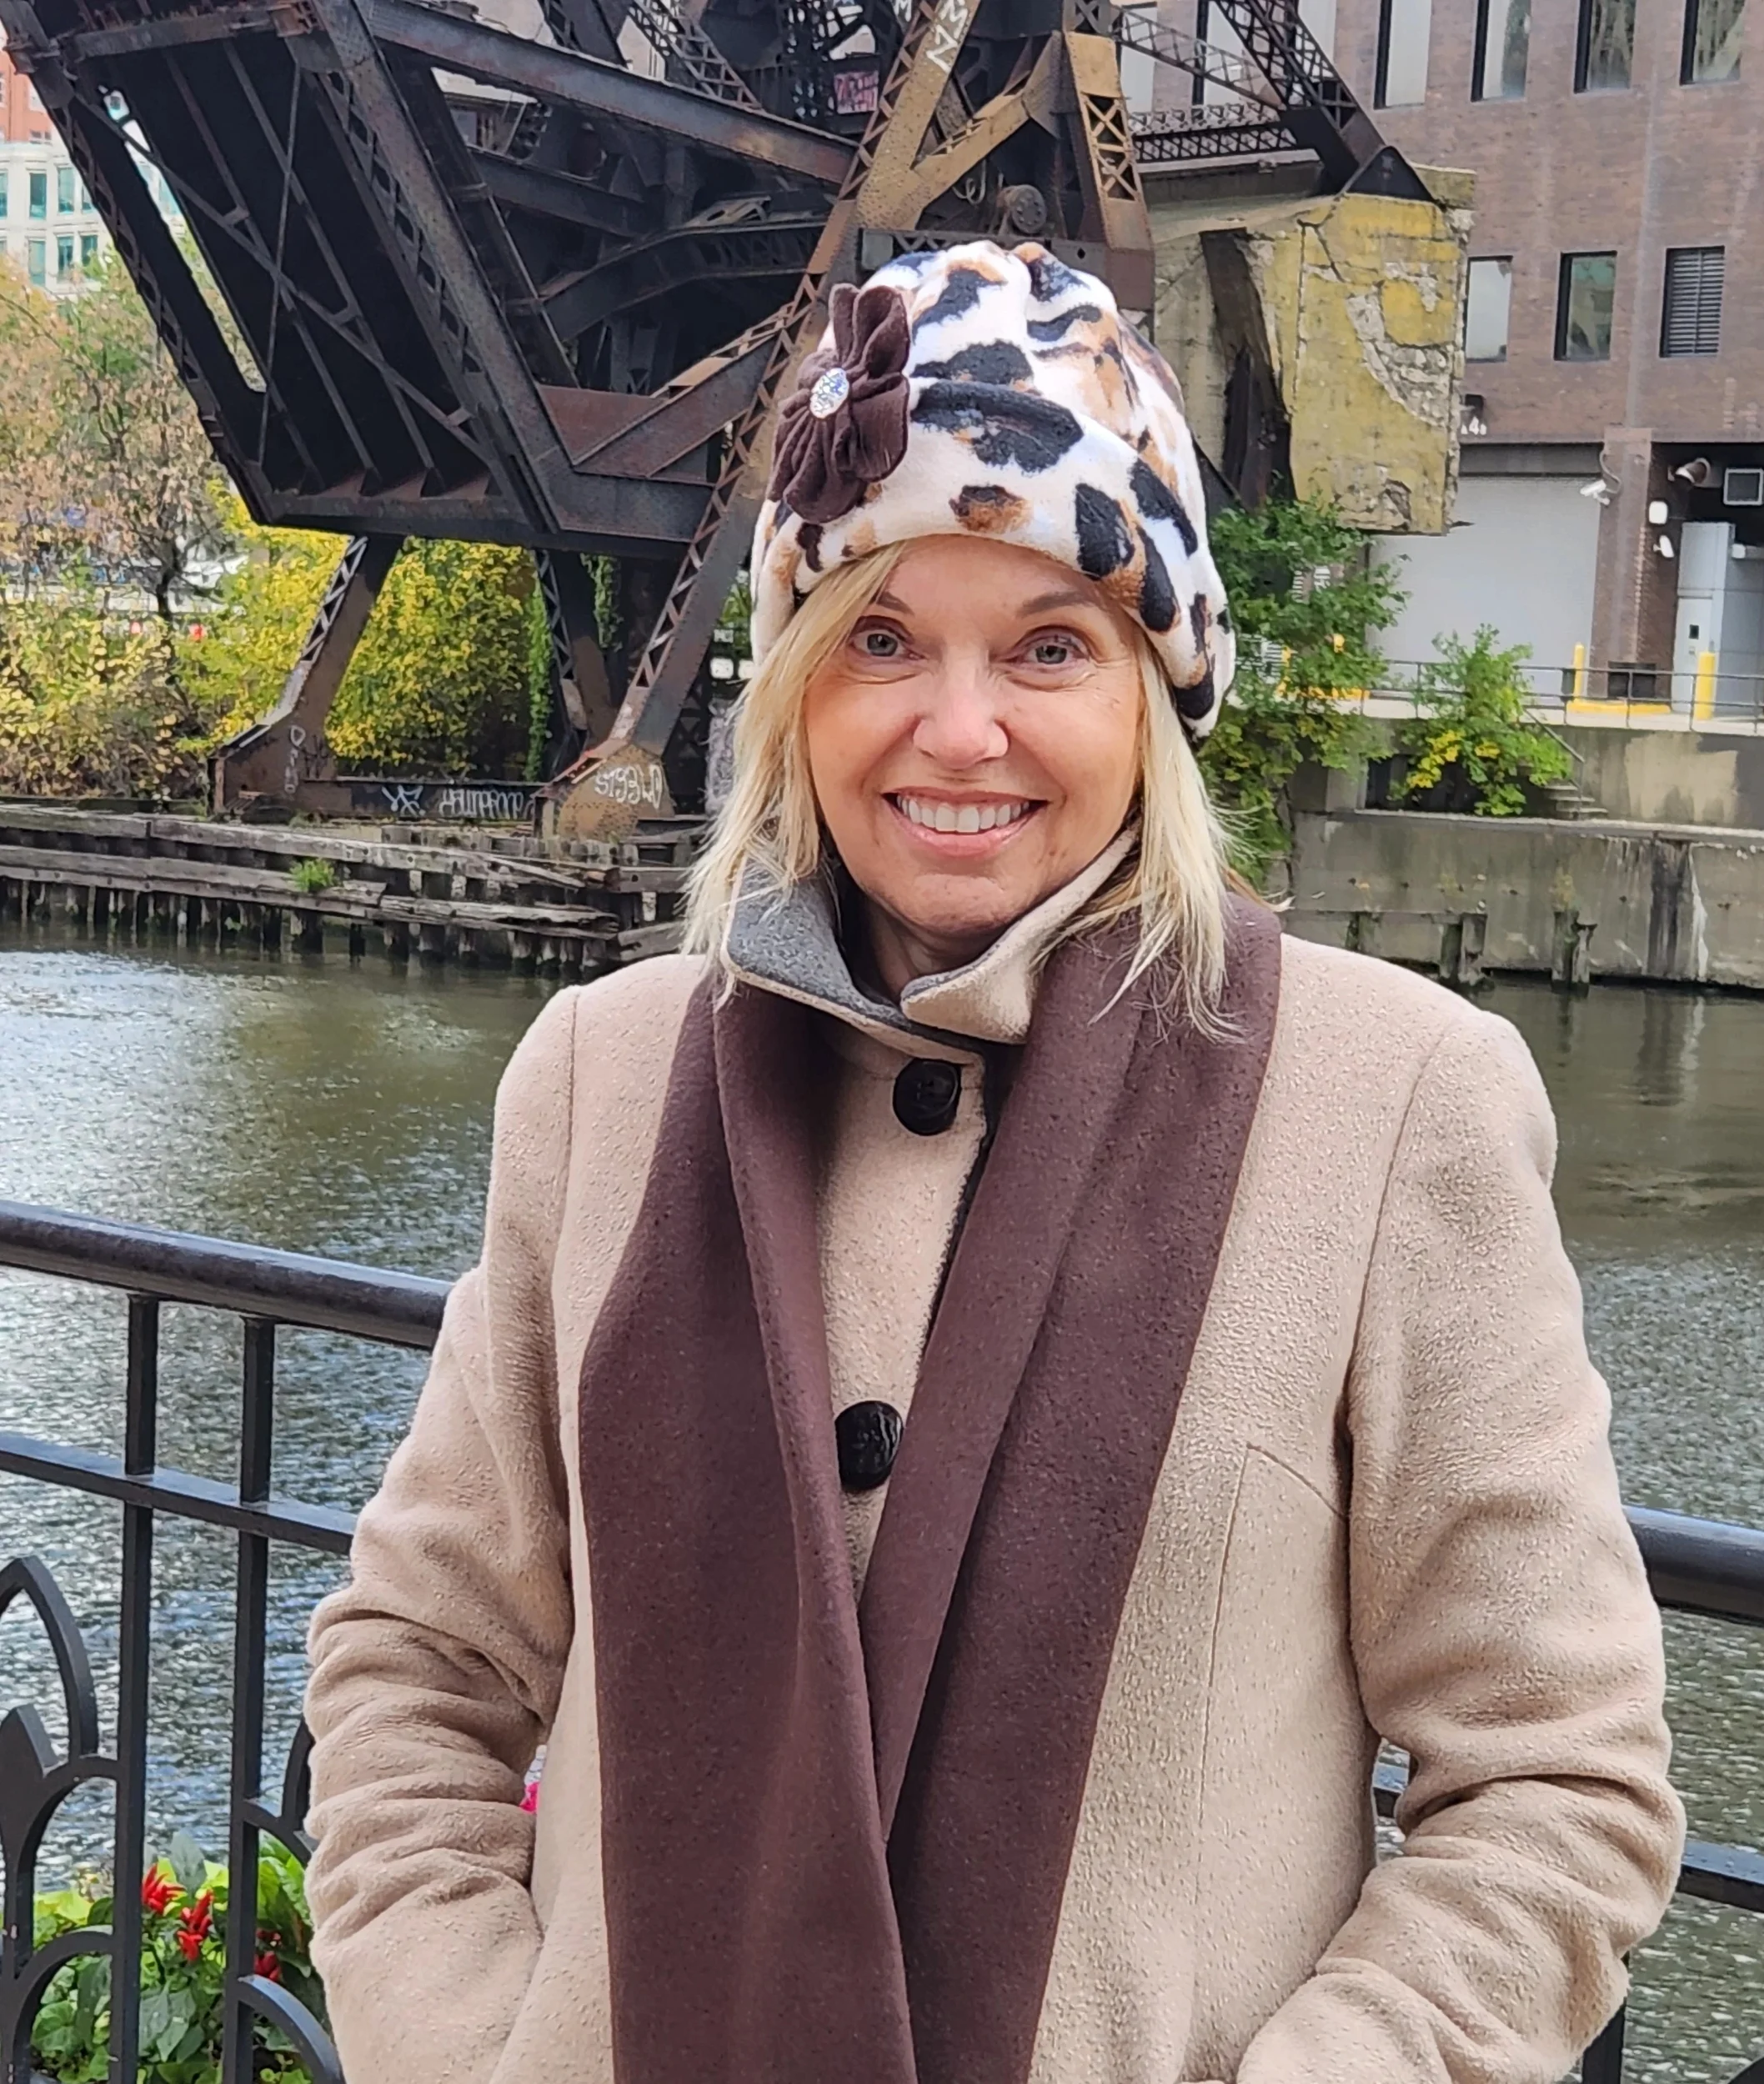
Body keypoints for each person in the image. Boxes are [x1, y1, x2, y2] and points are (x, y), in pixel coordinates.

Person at [303, 239, 1683, 2084]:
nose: (960, 730)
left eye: (1047, 644)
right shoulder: (601, 1082)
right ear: (796, 679)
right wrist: (473, 2049)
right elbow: (418, 1662)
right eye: (881, 637)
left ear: (1154, 687)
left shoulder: (1391, 1099)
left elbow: (1555, 1776)